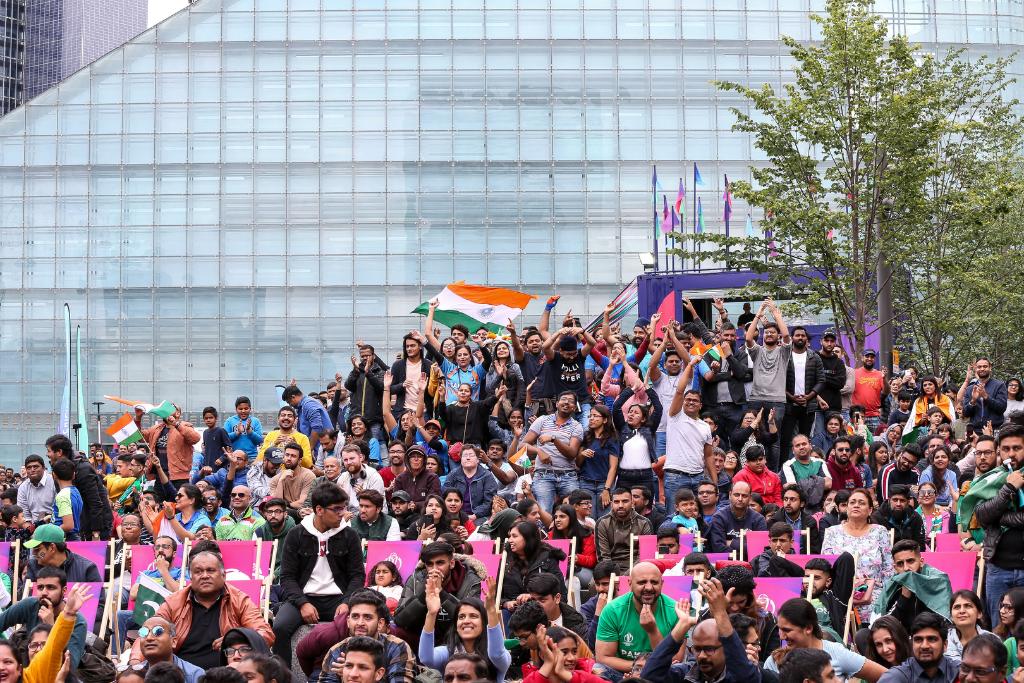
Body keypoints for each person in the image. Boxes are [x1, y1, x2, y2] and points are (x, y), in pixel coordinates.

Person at [128, 549, 273, 670]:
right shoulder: (174, 602)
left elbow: (265, 633)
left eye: (210, 570)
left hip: (227, 674)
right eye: (198, 572)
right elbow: (149, 633)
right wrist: (135, 662)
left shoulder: (239, 600)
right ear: (190, 576)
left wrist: (236, 639)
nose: (204, 576)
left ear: (223, 575)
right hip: (181, 674)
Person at [274, 482, 365, 665]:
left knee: (353, 626)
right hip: (304, 596)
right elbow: (287, 577)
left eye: (343, 508)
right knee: (280, 627)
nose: (342, 513)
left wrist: (347, 602)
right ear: (319, 510)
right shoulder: (297, 534)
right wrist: (302, 603)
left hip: (339, 598)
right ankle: (283, 676)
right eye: (337, 509)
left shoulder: (349, 535)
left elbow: (357, 575)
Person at [641, 578, 754, 683]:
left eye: (709, 649)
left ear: (726, 649)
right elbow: (649, 676)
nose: (701, 656)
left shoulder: (738, 675)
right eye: (697, 649)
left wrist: (721, 613)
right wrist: (682, 625)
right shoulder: (685, 674)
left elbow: (747, 677)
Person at [972, 422, 1024, 623]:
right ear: (999, 451)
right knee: (998, 629)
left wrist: (999, 516)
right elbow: (983, 516)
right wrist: (1008, 488)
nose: (1011, 454)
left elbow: (991, 515)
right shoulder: (991, 479)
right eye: (1006, 449)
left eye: (1017, 448)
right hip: (998, 568)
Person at [765, 598, 885, 681]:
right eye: (779, 629)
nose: (781, 636)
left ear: (808, 628)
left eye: (787, 630)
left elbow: (887, 676)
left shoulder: (836, 652)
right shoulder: (774, 661)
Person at [821, 488, 893, 622]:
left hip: (872, 593)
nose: (856, 505)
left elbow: (889, 569)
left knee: (879, 606)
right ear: (846, 508)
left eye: (861, 503)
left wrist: (885, 593)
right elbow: (825, 567)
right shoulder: (832, 532)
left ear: (870, 510)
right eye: (852, 502)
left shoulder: (880, 532)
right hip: (840, 592)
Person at [596, 562, 679, 676]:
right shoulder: (613, 610)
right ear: (630, 583)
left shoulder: (675, 611)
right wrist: (638, 669)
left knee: (679, 669)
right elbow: (603, 658)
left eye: (654, 582)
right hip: (624, 673)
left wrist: (653, 630)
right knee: (598, 669)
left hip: (662, 673)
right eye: (642, 582)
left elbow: (676, 659)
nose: (649, 587)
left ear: (662, 583)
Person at [393, 541, 486, 643]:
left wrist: (441, 593)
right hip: (423, 633)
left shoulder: (470, 580)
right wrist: (426, 592)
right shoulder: (416, 578)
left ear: (451, 563)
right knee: (396, 632)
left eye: (440, 563)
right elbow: (399, 619)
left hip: (456, 636)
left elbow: (470, 619)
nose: (434, 569)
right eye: (430, 564)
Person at [317, 590, 416, 683]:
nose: (360, 623)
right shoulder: (337, 651)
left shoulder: (397, 647)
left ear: (380, 623)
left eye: (367, 617)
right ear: (348, 621)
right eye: (355, 616)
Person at [421, 580, 510, 683]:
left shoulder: (500, 655)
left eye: (473, 616)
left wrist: (491, 611)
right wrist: (431, 614)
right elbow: (426, 658)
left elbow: (496, 654)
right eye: (461, 617)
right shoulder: (448, 652)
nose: (466, 621)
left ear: (484, 622)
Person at [0, 567, 90, 667]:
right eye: (40, 587)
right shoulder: (31, 605)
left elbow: (70, 666)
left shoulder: (77, 621)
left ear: (64, 591)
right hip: (30, 669)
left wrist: (51, 628)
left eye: (50, 587)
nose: (44, 592)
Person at [744, 298, 792, 470]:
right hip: (756, 399)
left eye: (773, 332)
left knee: (774, 440)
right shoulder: (757, 351)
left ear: (777, 335)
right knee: (755, 437)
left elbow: (786, 336)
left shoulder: (783, 352)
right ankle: (756, 471)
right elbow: (748, 337)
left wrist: (775, 312)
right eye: (767, 332)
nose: (769, 334)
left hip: (777, 401)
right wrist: (758, 314)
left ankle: (773, 473)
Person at [521, 390, 585, 514]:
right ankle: (546, 534)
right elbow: (522, 445)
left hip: (568, 476)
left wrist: (554, 439)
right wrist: (539, 451)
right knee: (543, 512)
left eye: (571, 401)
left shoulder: (577, 426)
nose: (567, 403)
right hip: (543, 475)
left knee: (574, 512)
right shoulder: (542, 420)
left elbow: (572, 453)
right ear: (556, 403)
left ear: (574, 407)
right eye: (564, 399)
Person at [665, 357, 716, 505]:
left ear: (701, 405)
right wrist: (691, 365)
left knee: (696, 517)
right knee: (673, 517)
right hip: (676, 476)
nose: (691, 402)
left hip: (698, 477)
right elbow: (680, 391)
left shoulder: (705, 426)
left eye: (695, 400)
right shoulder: (675, 415)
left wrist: (714, 481)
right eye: (688, 400)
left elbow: (708, 456)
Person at [44, 434, 113, 540]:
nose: (47, 454)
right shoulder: (58, 469)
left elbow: (95, 502)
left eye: (49, 451)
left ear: (59, 452)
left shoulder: (83, 469)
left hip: (94, 527)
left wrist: (96, 533)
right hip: (76, 527)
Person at [871, 539, 952, 625]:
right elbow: (885, 625)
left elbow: (944, 620)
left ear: (921, 562)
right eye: (900, 564)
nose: (906, 568)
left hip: (930, 634)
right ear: (895, 567)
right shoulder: (892, 585)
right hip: (902, 635)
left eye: (910, 561)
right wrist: (904, 597)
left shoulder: (938, 580)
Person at [781, 326, 826, 462]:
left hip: (809, 405)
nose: (800, 337)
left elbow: (821, 380)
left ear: (807, 339)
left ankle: (804, 465)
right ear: (792, 338)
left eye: (803, 335)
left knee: (805, 439)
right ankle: (784, 467)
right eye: (797, 335)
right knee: (786, 439)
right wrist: (790, 396)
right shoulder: (785, 355)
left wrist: (809, 396)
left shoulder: (814, 357)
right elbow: (779, 379)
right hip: (788, 404)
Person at [500, 522, 567, 610]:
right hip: (512, 613)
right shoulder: (505, 560)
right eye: (510, 536)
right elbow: (495, 596)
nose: (509, 540)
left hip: (541, 611)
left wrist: (533, 597)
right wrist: (506, 603)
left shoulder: (548, 559)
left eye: (514, 536)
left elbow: (561, 596)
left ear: (528, 538)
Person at [877, 612, 959, 683]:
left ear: (945, 645)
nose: (924, 646)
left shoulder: (958, 672)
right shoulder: (897, 676)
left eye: (931, 639)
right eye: (918, 640)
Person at [595, 487, 652, 574]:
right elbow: (603, 557)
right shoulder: (602, 523)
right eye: (616, 502)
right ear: (611, 504)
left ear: (632, 503)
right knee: (593, 586)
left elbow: (644, 556)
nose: (620, 505)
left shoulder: (644, 523)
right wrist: (613, 575)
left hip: (637, 568)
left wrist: (627, 575)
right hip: (610, 567)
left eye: (625, 501)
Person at [577, 405, 620, 520]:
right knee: (588, 519)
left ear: (605, 420)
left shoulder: (612, 439)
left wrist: (607, 489)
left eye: (595, 416)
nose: (591, 418)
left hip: (603, 484)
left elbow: (613, 467)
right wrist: (582, 454)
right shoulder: (586, 437)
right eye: (590, 416)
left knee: (604, 520)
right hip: (585, 482)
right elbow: (578, 463)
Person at [134, 616, 207, 683]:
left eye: (158, 631)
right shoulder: (133, 675)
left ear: (174, 641)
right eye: (143, 632)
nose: (149, 638)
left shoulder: (195, 675)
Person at [24, 524, 101, 581]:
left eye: (37, 549)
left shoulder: (87, 568)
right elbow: (26, 598)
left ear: (52, 548)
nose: (33, 553)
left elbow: (98, 602)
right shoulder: (33, 565)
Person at [708, 481, 767, 555]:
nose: (740, 499)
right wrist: (747, 549)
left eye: (744, 496)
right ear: (730, 495)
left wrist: (732, 543)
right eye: (736, 495)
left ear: (749, 497)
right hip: (726, 563)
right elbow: (718, 549)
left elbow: (760, 550)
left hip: (752, 564)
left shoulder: (759, 519)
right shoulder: (719, 517)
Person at [444, 444, 500, 522]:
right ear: (461, 459)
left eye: (471, 455)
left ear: (477, 459)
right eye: (465, 455)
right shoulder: (453, 474)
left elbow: (489, 502)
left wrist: (474, 516)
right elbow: (445, 495)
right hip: (454, 515)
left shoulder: (487, 476)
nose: (468, 458)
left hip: (478, 516)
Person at [549, 504, 597, 587]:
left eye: (562, 517)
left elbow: (592, 560)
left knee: (571, 580)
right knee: (570, 583)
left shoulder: (586, 534)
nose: (557, 520)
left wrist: (578, 558)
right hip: (557, 571)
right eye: (556, 517)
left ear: (571, 518)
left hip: (581, 570)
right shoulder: (551, 535)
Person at [782, 433, 832, 512]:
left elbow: (828, 484)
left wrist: (802, 483)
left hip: (821, 506)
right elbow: (793, 490)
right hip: (800, 507)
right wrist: (818, 481)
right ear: (793, 450)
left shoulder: (820, 462)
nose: (801, 447)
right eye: (797, 445)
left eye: (804, 444)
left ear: (810, 446)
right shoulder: (788, 465)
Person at [527, 573, 587, 639]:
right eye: (533, 600)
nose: (536, 605)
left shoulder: (575, 622)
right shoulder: (526, 619)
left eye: (542, 600)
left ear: (557, 598)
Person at [769, 484, 822, 553]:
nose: (788, 503)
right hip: (780, 559)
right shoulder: (773, 521)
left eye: (792, 499)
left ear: (802, 503)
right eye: (785, 499)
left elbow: (814, 550)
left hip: (803, 560)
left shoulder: (810, 522)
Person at [959, 359, 1008, 432]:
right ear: (976, 369)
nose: (982, 369)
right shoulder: (970, 389)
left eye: (985, 366)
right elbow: (965, 413)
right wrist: (973, 401)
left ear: (990, 368)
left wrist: (986, 396)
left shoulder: (999, 385)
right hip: (975, 431)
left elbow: (1002, 408)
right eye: (979, 367)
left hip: (994, 430)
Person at [252, 498, 294, 583]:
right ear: (265, 515)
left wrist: (274, 575)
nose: (273, 515)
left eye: (277, 511)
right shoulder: (259, 533)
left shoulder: (294, 532)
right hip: (265, 576)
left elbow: (293, 561)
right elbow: (255, 561)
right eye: (270, 512)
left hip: (289, 576)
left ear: (285, 514)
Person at [269, 441, 317, 514]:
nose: (289, 458)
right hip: (282, 514)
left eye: (293, 456)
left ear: (300, 460)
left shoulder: (308, 475)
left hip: (303, 513)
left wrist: (287, 504)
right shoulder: (276, 479)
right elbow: (276, 504)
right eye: (287, 455)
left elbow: (302, 503)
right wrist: (281, 480)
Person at [337, 444, 386, 513]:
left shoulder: (374, 476)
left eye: (352, 458)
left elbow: (378, 506)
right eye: (345, 460)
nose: (349, 462)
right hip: (349, 517)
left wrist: (363, 496)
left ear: (361, 457)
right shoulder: (342, 478)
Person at [391, 445, 441, 512]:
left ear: (424, 460)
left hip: (425, 514)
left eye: (419, 456)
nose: (416, 459)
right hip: (404, 514)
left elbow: (434, 501)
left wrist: (416, 505)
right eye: (412, 457)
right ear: (408, 460)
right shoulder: (400, 478)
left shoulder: (432, 477)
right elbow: (395, 501)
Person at [945, 590, 991, 662]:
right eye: (957, 607)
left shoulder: (992, 641)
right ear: (951, 616)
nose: (962, 611)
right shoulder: (942, 639)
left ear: (979, 613)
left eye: (968, 606)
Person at [853, 350, 886, 434]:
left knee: (874, 440)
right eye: (867, 356)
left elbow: (886, 391)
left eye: (872, 357)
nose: (869, 359)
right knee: (857, 438)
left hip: (874, 414)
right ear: (862, 358)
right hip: (857, 414)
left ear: (874, 359)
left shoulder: (879, 374)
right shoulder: (854, 373)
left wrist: (884, 379)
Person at [223, 398, 264, 464]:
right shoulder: (229, 421)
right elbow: (224, 439)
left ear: (250, 409)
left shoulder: (255, 421)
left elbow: (260, 440)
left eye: (246, 408)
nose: (243, 411)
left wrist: (250, 432)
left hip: (252, 458)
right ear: (236, 409)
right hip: (235, 457)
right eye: (240, 409)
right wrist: (237, 433)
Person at [49, 459, 82, 541]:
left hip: (65, 539)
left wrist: (48, 532)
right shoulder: (75, 491)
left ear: (54, 475)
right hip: (74, 537)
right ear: (73, 475)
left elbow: (68, 525)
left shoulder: (63, 495)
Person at [17, 454, 55, 525]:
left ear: (43, 468)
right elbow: (24, 517)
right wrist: (32, 532)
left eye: (35, 467)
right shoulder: (23, 488)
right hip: (33, 529)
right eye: (29, 467)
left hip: (55, 526)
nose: (32, 470)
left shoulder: (54, 482)